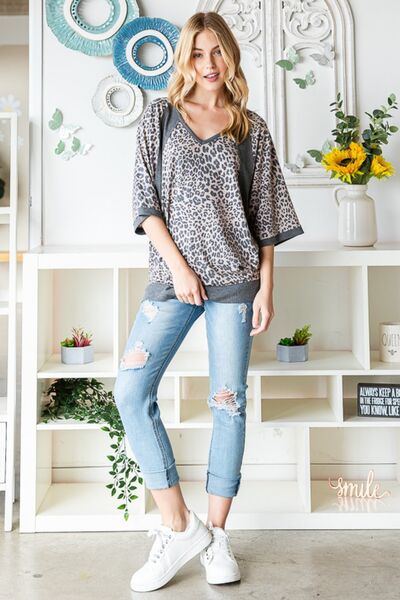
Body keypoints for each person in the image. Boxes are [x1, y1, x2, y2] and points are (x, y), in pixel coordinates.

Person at [113, 10, 304, 593]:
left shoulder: (251, 128)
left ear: (230, 54)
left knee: (229, 404)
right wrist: (179, 268)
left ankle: (217, 536)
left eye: (217, 50)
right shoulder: (160, 117)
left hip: (237, 281)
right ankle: (179, 525)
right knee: (130, 390)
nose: (209, 63)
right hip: (174, 280)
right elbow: (145, 204)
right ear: (185, 60)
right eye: (198, 53)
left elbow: (266, 217)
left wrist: (267, 287)